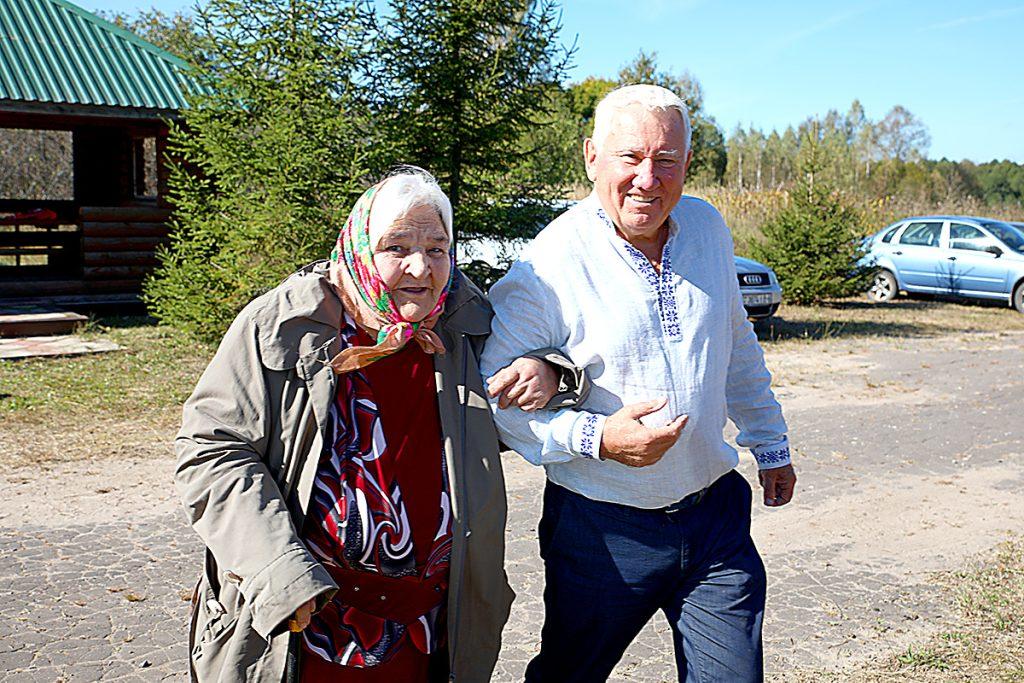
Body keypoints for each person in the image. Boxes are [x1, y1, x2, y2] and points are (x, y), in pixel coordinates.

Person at [176, 168, 586, 682]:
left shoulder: (462, 324)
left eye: (438, 249)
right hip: (307, 626)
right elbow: (211, 450)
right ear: (360, 248)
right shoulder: (283, 326)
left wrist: (550, 372)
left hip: (430, 627)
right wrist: (277, 572)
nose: (421, 266)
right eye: (397, 247)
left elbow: (535, 378)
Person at [480, 85, 797, 682]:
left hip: (714, 520)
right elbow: (492, 399)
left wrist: (769, 441)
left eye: (666, 160)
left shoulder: (705, 227)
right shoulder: (549, 264)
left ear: (686, 164)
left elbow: (735, 343)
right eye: (630, 157)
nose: (648, 179)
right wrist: (597, 438)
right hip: (603, 531)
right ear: (591, 157)